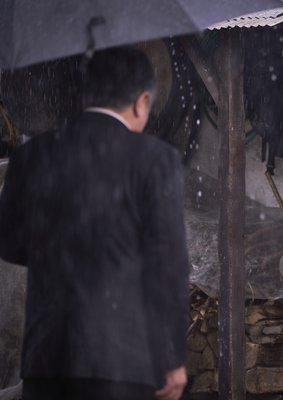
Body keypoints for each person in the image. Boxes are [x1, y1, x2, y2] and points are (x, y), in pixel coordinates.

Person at [0, 46, 189, 400]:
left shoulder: (32, 154)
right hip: (123, 362)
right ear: (141, 101)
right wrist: (172, 358)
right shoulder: (155, 159)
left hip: (47, 358)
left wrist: (60, 251)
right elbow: (169, 266)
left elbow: (8, 242)